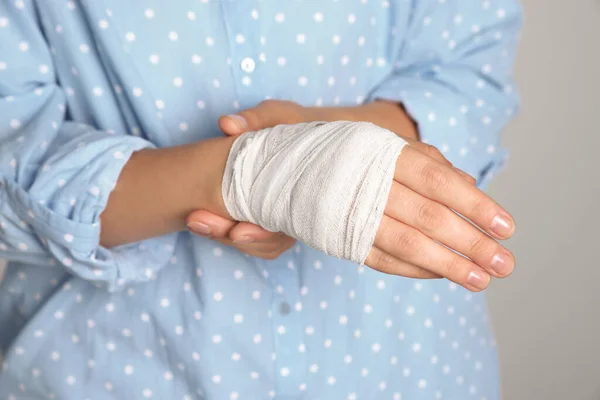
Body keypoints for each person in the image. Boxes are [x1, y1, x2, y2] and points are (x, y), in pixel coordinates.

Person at [0, 1, 521, 399]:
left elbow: (468, 72)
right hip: (117, 368)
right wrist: (247, 176)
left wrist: (317, 160)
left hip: (400, 362)